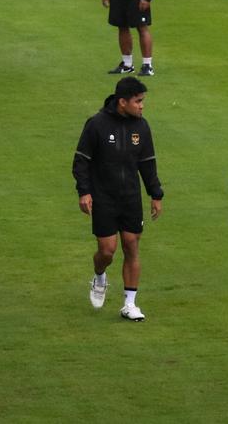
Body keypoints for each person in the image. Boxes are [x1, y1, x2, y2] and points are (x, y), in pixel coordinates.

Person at [73, 76, 163, 322]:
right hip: (104, 197)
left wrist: (155, 194)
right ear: (122, 102)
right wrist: (84, 191)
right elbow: (81, 160)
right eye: (138, 101)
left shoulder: (141, 127)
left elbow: (147, 163)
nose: (142, 106)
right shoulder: (97, 124)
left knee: (132, 245)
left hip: (130, 197)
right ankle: (100, 275)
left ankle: (130, 304)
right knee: (107, 250)